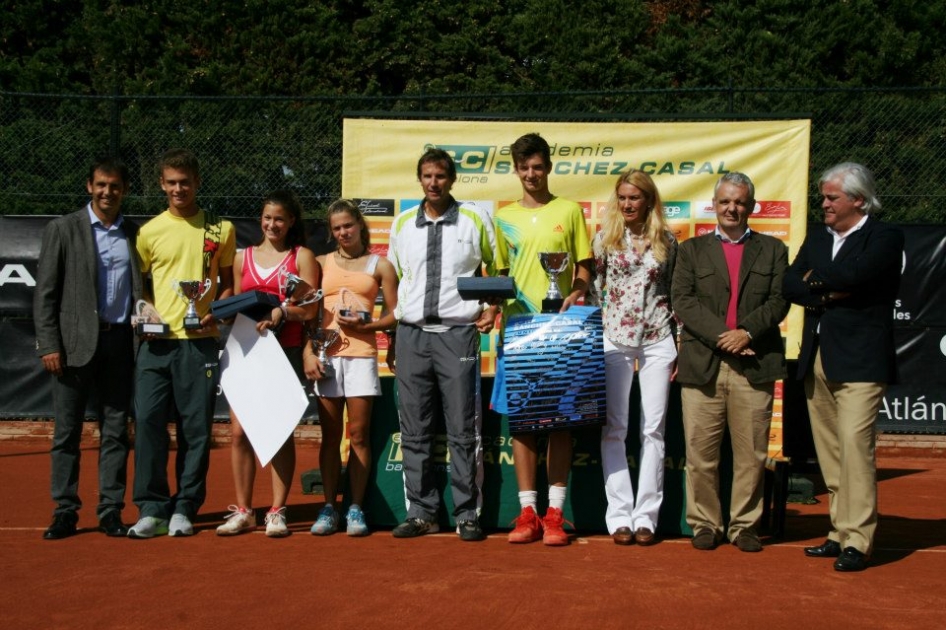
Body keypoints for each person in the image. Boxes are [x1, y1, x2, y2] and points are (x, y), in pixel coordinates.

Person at [783, 163, 903, 572]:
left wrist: (818, 281)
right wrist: (831, 290)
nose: (825, 204)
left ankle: (859, 539)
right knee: (831, 453)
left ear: (859, 199)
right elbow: (789, 282)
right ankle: (839, 531)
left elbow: (860, 273)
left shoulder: (884, 236)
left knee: (855, 448)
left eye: (832, 197)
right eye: (823, 196)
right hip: (817, 357)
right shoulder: (818, 236)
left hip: (862, 361)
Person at [671, 172, 789, 553]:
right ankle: (705, 523)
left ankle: (744, 526)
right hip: (703, 365)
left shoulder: (773, 250)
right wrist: (727, 337)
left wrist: (747, 333)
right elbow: (683, 301)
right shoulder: (690, 250)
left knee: (752, 454)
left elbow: (778, 300)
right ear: (714, 205)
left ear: (751, 206)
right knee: (700, 455)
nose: (732, 208)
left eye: (739, 202)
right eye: (725, 202)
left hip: (755, 365)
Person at [387, 148, 498, 542]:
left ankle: (467, 514)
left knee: (463, 430)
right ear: (419, 179)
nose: (433, 183)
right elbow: (398, 279)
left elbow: (495, 271)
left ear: (452, 180)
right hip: (412, 335)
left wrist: (491, 308)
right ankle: (422, 513)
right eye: (427, 176)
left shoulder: (474, 218)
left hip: (458, 335)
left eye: (440, 176)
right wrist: (392, 335)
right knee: (414, 431)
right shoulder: (402, 223)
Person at [128, 148, 236, 539]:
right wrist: (145, 313)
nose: (179, 189)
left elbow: (227, 284)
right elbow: (141, 287)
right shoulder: (147, 232)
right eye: (171, 182)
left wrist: (217, 311)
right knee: (149, 424)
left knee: (196, 429)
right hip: (155, 346)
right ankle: (152, 508)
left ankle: (185, 506)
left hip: (199, 341)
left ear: (197, 183)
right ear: (161, 184)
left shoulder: (219, 228)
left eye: (185, 182)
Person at [33, 157, 142, 539]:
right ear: (89, 187)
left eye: (114, 186)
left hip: (119, 344)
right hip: (73, 345)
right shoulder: (63, 229)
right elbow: (45, 294)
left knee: (115, 432)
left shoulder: (133, 233)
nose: (107, 192)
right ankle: (65, 510)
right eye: (101, 185)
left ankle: (111, 509)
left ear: (124, 190)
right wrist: (49, 343)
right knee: (67, 432)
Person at [493, 132, 593, 546]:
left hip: (562, 331)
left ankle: (556, 513)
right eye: (523, 168)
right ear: (516, 170)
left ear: (548, 167)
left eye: (537, 166)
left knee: (561, 423)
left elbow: (584, 266)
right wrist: (490, 305)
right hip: (518, 331)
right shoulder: (502, 217)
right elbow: (499, 275)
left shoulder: (569, 211)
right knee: (522, 425)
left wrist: (577, 290)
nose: (531, 174)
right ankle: (527, 512)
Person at [216, 190, 320, 538]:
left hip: (284, 350)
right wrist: (219, 310)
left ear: (291, 222)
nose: (272, 224)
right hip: (244, 351)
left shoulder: (302, 257)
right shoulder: (242, 257)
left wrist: (283, 311)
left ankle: (277, 510)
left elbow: (311, 309)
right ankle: (244, 510)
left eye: (279, 218)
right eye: (266, 218)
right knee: (240, 433)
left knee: (278, 433)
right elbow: (231, 294)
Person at [592, 169, 677, 546]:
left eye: (635, 198)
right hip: (615, 339)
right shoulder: (604, 240)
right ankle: (619, 517)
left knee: (653, 430)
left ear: (649, 200)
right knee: (615, 429)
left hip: (659, 338)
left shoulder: (668, 242)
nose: (628, 204)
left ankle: (646, 517)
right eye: (623, 197)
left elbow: (677, 293)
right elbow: (595, 290)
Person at [305, 199, 398, 537]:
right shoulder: (319, 263)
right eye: (336, 228)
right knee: (330, 437)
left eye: (348, 225)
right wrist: (308, 351)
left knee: (358, 435)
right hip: (326, 356)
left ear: (359, 224)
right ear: (331, 232)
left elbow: (393, 314)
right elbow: (308, 315)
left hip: (361, 355)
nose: (343, 232)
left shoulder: (380, 265)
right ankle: (330, 506)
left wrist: (368, 328)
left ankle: (355, 507)